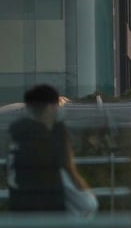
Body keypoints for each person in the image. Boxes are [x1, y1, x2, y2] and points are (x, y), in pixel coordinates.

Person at [6, 84, 93, 215]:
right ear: (50, 108)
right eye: (58, 104)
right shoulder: (47, 148)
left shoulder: (16, 142)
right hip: (51, 227)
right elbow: (87, 204)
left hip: (22, 226)